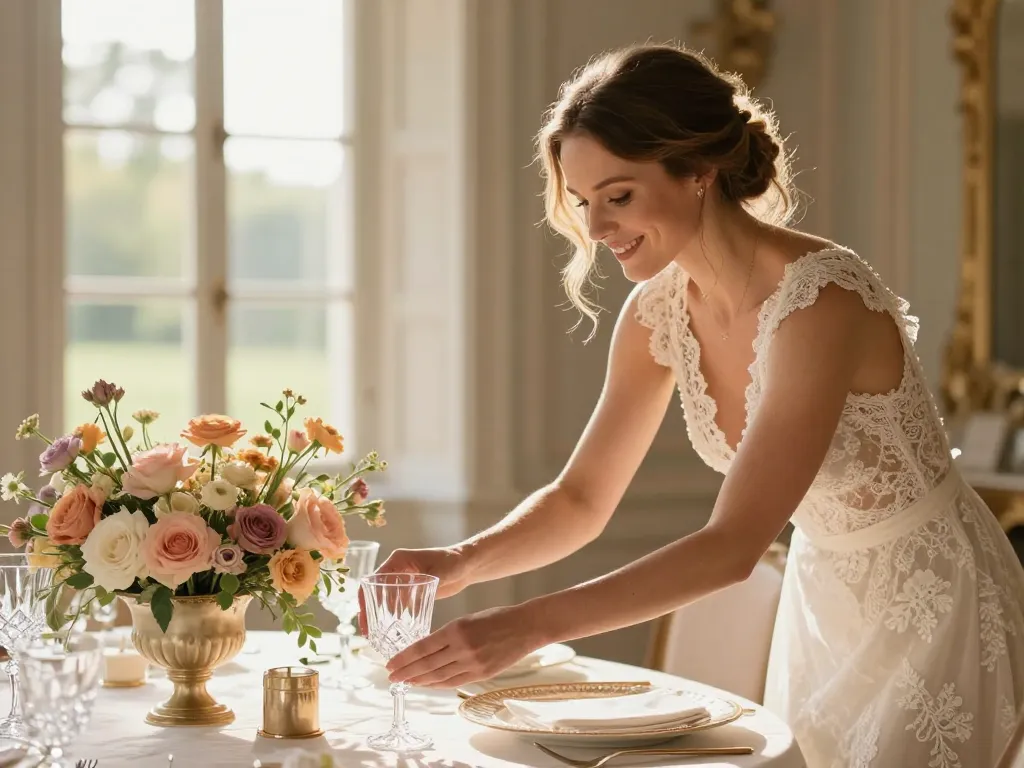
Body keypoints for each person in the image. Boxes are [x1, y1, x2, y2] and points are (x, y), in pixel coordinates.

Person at [367, 44, 1024, 767]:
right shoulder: (658, 315)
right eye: (585, 203)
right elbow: (583, 497)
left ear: (698, 171)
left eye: (618, 196)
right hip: (825, 602)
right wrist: (457, 563)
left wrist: (520, 625)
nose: (596, 229)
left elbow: (732, 546)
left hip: (935, 605)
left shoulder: (821, 300)